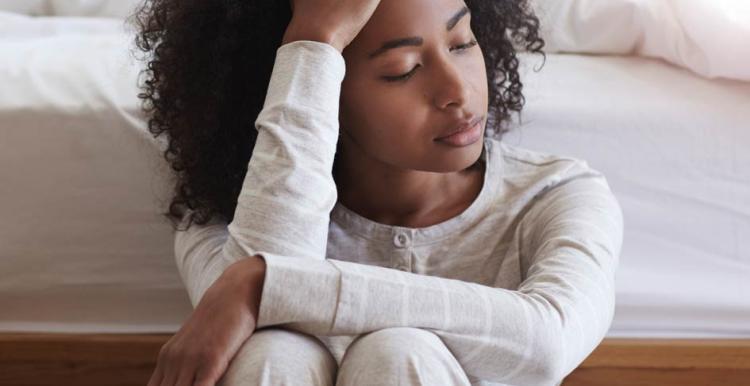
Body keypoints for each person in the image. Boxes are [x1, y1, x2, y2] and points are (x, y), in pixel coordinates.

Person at [132, 0, 624, 385]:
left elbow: (550, 341)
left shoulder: (555, 194)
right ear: (323, 89)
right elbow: (254, 312)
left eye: (461, 42)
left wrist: (262, 284)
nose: (457, 89)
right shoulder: (226, 215)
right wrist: (314, 42)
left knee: (399, 353)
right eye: (403, 69)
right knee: (272, 351)